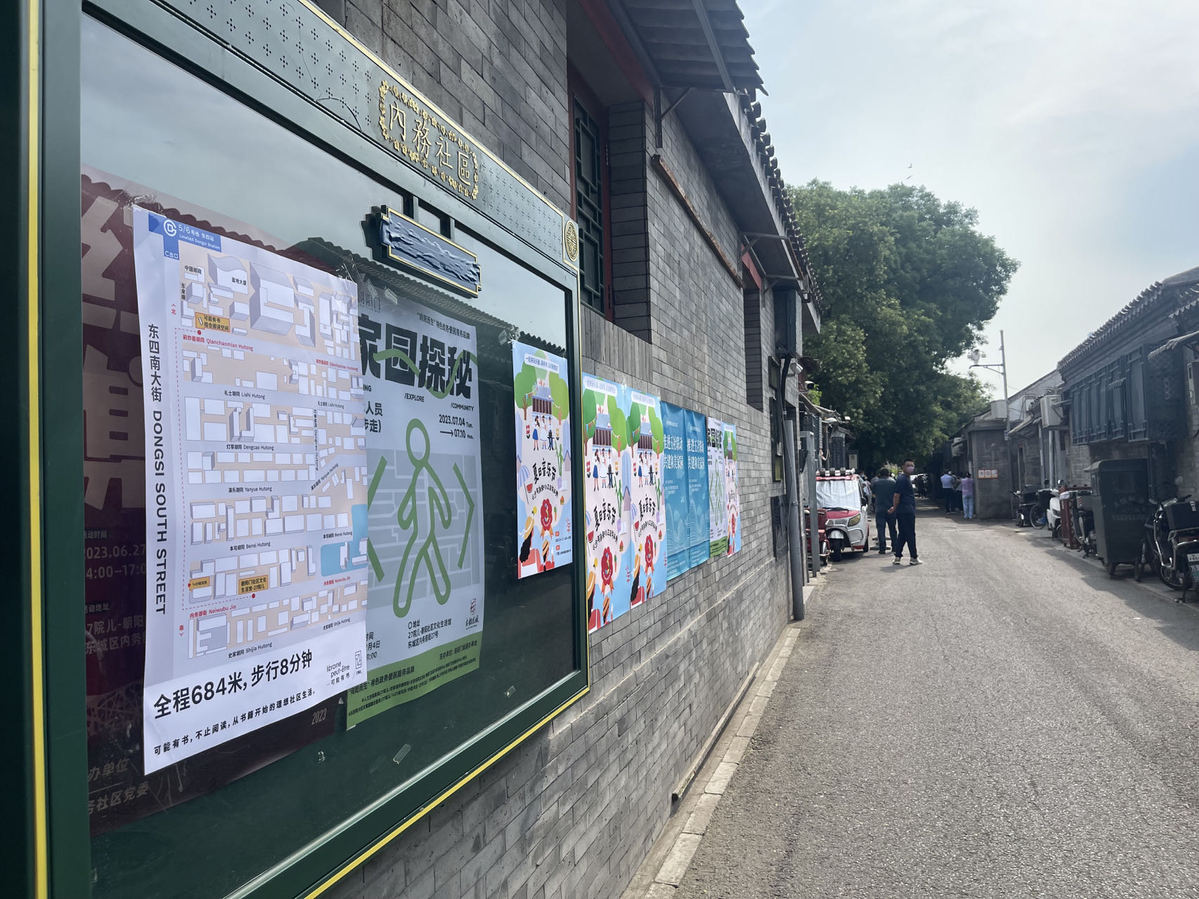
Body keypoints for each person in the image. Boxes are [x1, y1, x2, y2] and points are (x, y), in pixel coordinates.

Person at [889, 459, 921, 565]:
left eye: (912, 465)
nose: (910, 467)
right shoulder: (902, 479)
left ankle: (897, 556)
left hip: (905, 510)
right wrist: (894, 507)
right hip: (906, 511)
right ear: (903, 467)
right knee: (910, 534)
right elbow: (896, 495)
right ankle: (913, 557)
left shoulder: (906, 478)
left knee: (903, 534)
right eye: (908, 465)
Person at [869, 466, 898, 555]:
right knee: (892, 528)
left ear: (880, 474)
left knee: (881, 528)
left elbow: (873, 493)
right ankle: (895, 547)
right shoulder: (893, 482)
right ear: (889, 474)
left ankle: (882, 548)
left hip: (880, 508)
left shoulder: (875, 482)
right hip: (891, 508)